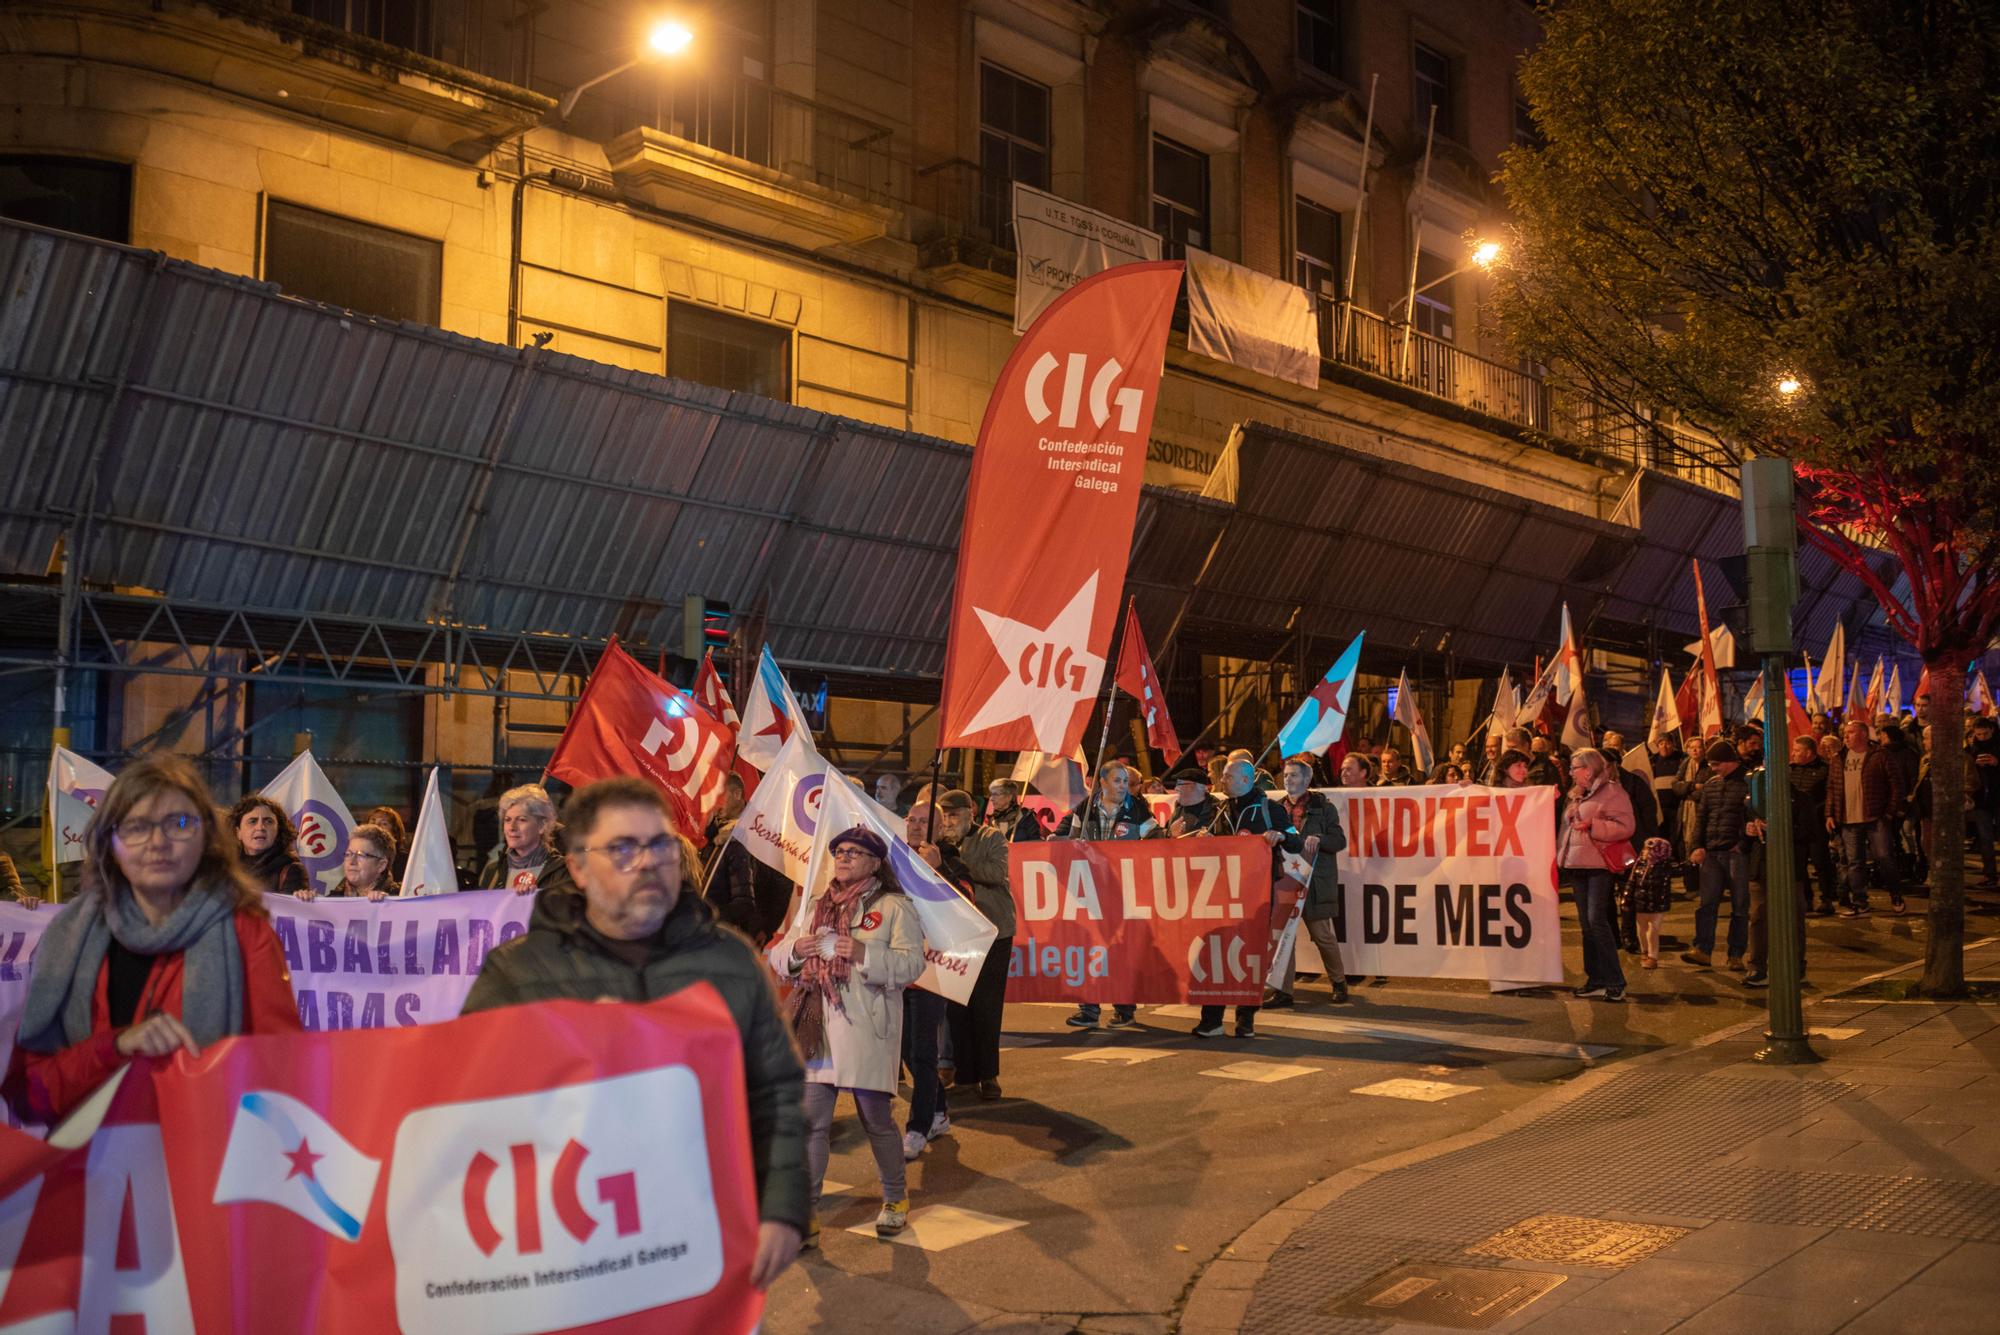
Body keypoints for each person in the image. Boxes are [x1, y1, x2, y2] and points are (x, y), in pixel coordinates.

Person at [461, 777, 806, 1282]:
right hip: (568, 1238)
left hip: (700, 1232)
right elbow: (468, 1100)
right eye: (622, 847)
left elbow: (774, 1091)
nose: (647, 862)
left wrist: (781, 1209)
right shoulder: (517, 972)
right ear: (576, 867)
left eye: (660, 845)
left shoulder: (730, 960)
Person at [5, 756, 300, 1125]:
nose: (157, 842)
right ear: (108, 841)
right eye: (136, 827)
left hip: (204, 1162)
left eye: (178, 823)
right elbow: (28, 1097)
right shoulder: (69, 936)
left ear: (206, 838)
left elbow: (283, 1078)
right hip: (92, 1170)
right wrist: (114, 1048)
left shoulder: (246, 933)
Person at [767, 826, 925, 1238]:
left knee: (875, 1119)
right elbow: (779, 954)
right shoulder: (815, 904)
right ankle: (808, 1212)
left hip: (865, 1029)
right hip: (816, 1025)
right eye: (840, 851)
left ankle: (895, 1196)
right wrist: (795, 952)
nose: (844, 857)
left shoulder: (894, 906)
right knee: (813, 1122)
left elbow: (913, 966)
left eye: (855, 852)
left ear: (874, 862)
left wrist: (865, 953)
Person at [1197, 759, 1302, 1037]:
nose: (1223, 781)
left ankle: (1245, 1019)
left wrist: (1278, 835)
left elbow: (1296, 841)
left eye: (1229, 777)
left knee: (1248, 954)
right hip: (1221, 892)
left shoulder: (1270, 809)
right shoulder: (1220, 810)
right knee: (1216, 952)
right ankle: (1212, 1019)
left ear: (1246, 780)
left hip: (1256, 893)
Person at [923, 791, 1013, 1101]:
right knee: (958, 1008)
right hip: (955, 935)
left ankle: (989, 1076)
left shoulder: (990, 838)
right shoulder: (939, 845)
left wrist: (952, 863)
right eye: (944, 816)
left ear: (971, 812)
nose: (949, 821)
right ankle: (965, 1077)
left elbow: (995, 873)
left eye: (954, 815)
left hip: (993, 933)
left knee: (987, 1008)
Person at [1057, 761, 1159, 1029]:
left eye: (1126, 781)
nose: (1123, 786)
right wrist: (1069, 843)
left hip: (1124, 890)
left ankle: (1124, 1010)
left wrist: (1170, 835)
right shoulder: (1085, 806)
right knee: (1089, 948)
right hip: (1089, 889)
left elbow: (1156, 840)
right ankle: (1089, 1010)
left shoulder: (1137, 809)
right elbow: (1067, 838)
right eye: (1117, 781)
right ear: (1102, 782)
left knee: (1121, 949)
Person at [1265, 755, 1349, 1007]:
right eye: (1286, 775)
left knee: (1322, 935)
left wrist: (1319, 839)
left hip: (1314, 882)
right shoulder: (1276, 808)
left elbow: (1339, 841)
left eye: (1294, 775)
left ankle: (1338, 982)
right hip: (1286, 881)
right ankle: (1283, 990)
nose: (1288, 779)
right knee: (1284, 939)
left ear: (1307, 779)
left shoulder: (1323, 807)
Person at [897, 803, 954, 1161]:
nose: (916, 827)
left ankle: (917, 1128)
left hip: (932, 972)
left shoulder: (951, 860)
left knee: (922, 1052)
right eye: (912, 820)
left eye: (924, 822)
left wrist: (939, 871)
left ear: (941, 827)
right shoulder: (897, 857)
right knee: (906, 1051)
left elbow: (965, 904)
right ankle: (939, 1111)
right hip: (900, 969)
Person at [1557, 748, 1634, 1001]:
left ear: (1588, 770)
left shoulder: (1613, 792)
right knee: (1586, 925)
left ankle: (1615, 981)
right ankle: (1596, 978)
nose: (1570, 772)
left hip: (1599, 865)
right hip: (1578, 864)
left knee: (1597, 921)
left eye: (1574, 768)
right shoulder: (1577, 795)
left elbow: (1626, 827)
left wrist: (1594, 825)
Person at [1682, 739, 1754, 969]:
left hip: (1736, 854)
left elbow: (1753, 817)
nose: (1712, 768)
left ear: (1729, 762)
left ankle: (1736, 955)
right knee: (1707, 904)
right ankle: (1703, 950)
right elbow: (1701, 818)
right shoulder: (1712, 785)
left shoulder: (1748, 783)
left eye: (1716, 764)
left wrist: (1741, 845)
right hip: (1712, 852)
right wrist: (1697, 846)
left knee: (1740, 906)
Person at [1827, 717, 1908, 917]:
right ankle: (1860, 901)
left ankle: (1896, 895)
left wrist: (1889, 812)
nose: (1846, 737)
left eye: (1851, 733)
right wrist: (1830, 814)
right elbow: (1832, 788)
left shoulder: (1880, 755)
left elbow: (1896, 784)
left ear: (1863, 734)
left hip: (1875, 816)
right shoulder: (1839, 758)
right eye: (1844, 733)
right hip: (1848, 819)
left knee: (1884, 857)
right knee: (1855, 862)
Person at [476, 783, 574, 896]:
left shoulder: (563, 870)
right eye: (507, 820)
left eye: (521, 820)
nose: (512, 827)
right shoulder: (493, 871)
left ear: (542, 826)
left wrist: (534, 901)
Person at [1783, 734, 1842, 915]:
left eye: (1797, 750)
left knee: (1820, 861)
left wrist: (1828, 815)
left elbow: (1831, 794)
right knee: (1799, 863)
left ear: (1808, 752)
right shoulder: (1790, 770)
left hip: (1816, 822)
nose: (1793, 754)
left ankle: (1827, 898)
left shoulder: (1825, 770)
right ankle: (1806, 898)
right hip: (1795, 824)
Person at [228, 794, 310, 897]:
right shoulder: (226, 869)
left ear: (278, 831)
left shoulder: (292, 871)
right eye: (252, 821)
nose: (260, 827)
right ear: (238, 832)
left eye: (268, 821)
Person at [296, 823, 397, 901]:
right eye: (348, 854)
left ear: (381, 865)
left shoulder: (400, 896)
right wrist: (308, 906)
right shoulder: (334, 899)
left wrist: (389, 906)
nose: (352, 861)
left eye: (361, 855)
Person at [1623, 837, 1673, 968]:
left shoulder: (1665, 866)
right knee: (1642, 929)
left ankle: (1653, 956)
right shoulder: (1639, 865)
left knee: (1653, 929)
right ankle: (1644, 951)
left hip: (1658, 904)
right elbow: (1631, 882)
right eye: (1645, 849)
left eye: (1649, 849)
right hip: (1640, 902)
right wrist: (1627, 899)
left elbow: (1680, 869)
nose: (1645, 851)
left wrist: (1692, 863)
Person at [1971, 714, 2000, 890]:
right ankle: (1989, 874)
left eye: (1985, 734)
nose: (1982, 738)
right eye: (1978, 734)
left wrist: (1997, 762)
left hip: (1998, 796)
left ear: (1992, 731)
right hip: (1981, 799)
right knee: (1985, 838)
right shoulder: (1971, 748)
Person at [1163, 760, 1219, 835]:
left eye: (1180, 784)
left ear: (1198, 786)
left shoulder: (1217, 809)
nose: (1176, 788)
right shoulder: (1178, 810)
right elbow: (1165, 838)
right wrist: (1170, 834)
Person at [985, 778, 1044, 843]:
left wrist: (1017, 847)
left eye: (995, 794)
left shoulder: (1026, 817)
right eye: (991, 794)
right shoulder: (992, 820)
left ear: (1009, 797)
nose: (991, 799)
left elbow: (1037, 843)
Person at [365, 804, 410, 871]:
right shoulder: (359, 855)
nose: (376, 826)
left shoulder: (406, 861)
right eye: (373, 821)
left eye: (384, 823)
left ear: (395, 832)